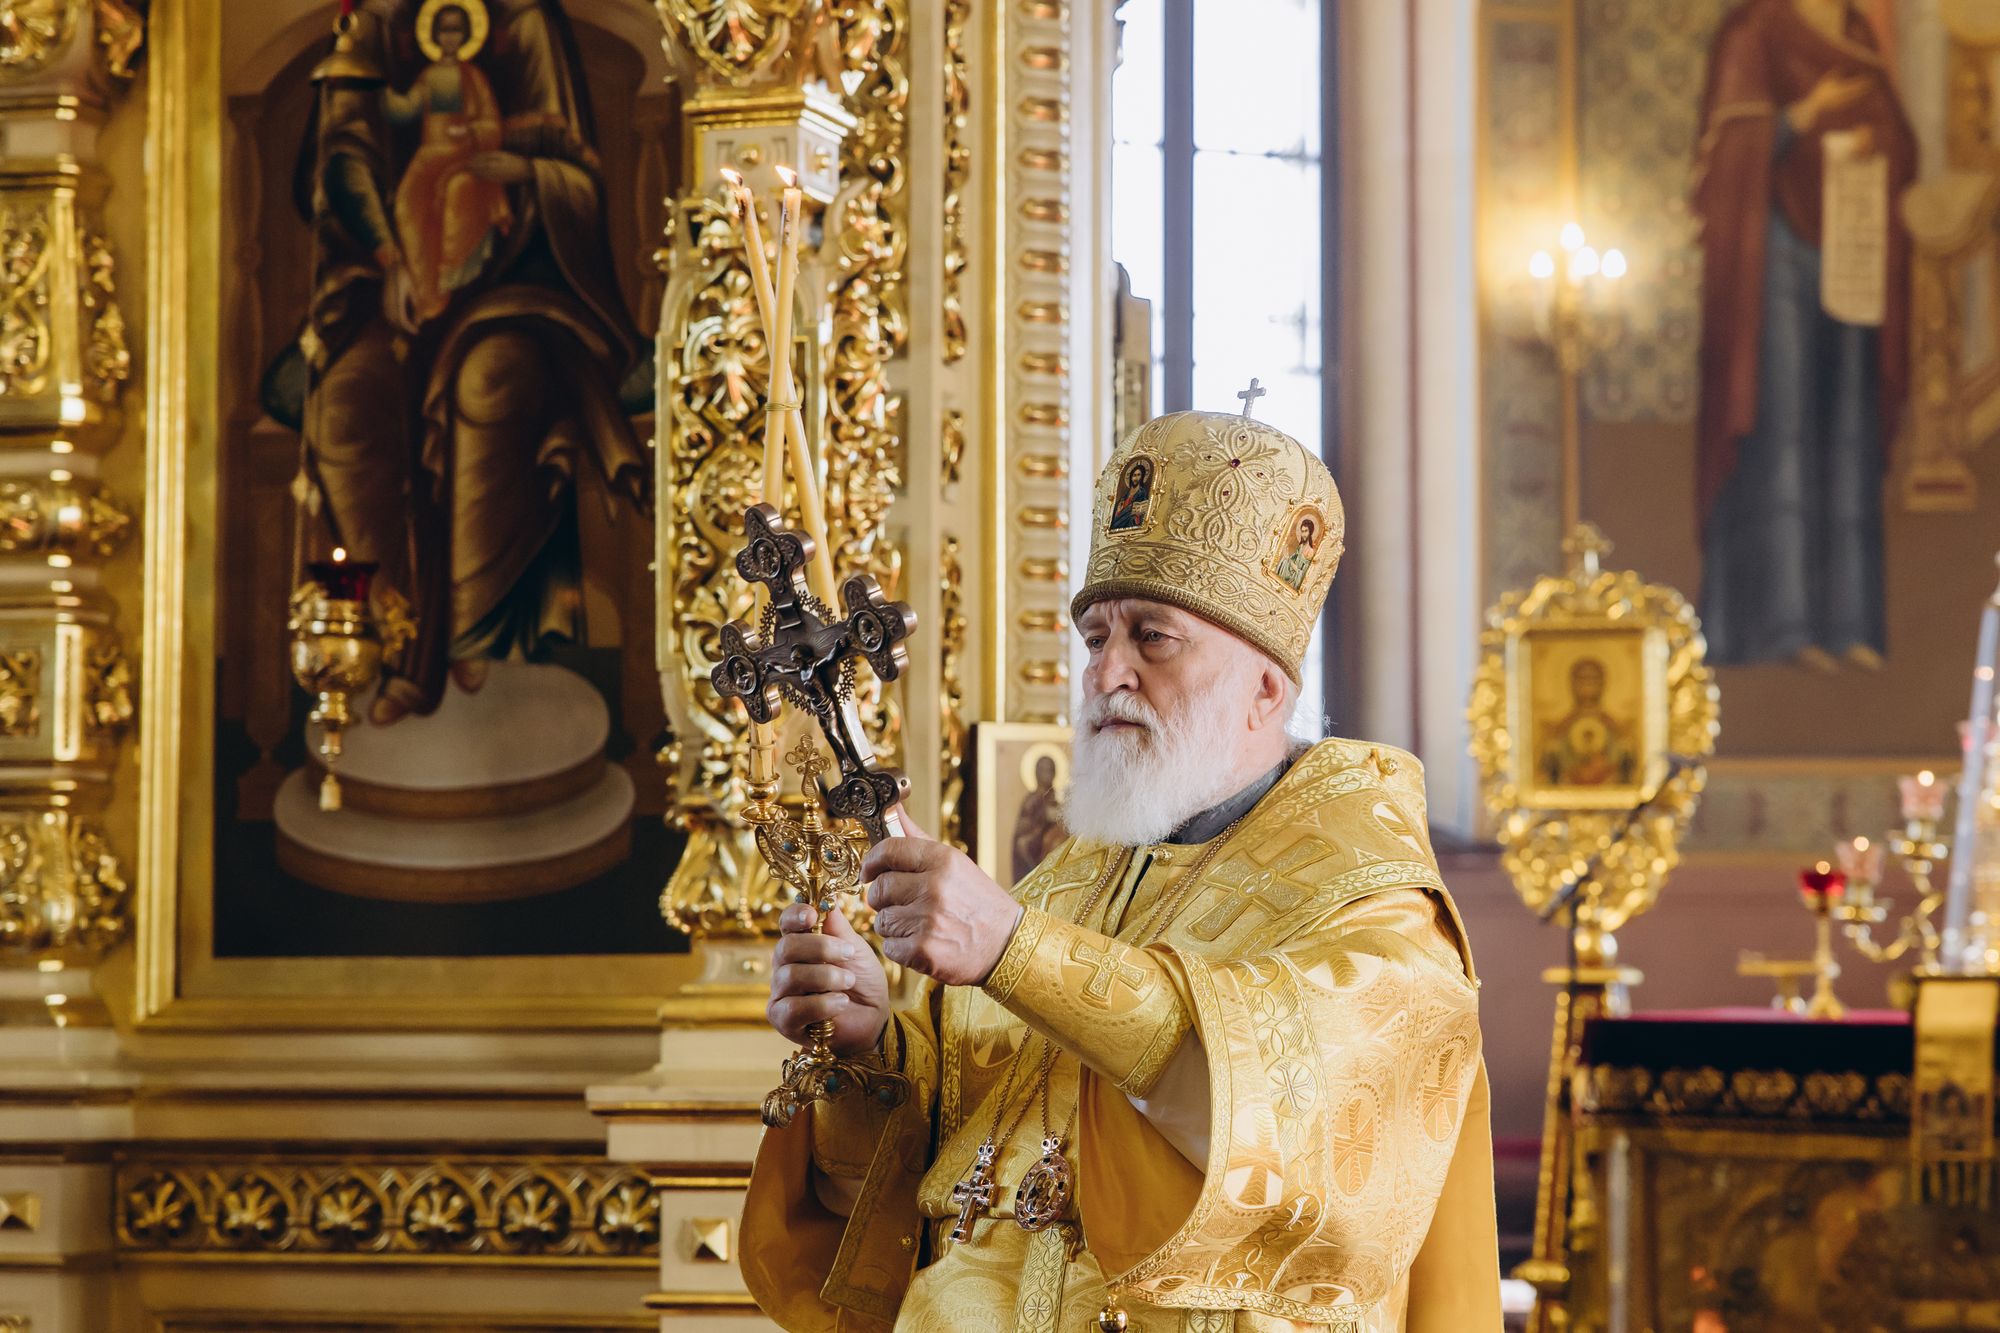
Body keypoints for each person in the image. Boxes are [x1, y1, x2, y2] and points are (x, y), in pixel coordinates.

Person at [742, 410, 1499, 1332]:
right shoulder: (1067, 885)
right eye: (1096, 638)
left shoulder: (1377, 910)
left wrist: (1015, 951)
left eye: (1153, 637)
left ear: (1265, 687)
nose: (1107, 674)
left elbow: (1274, 1129)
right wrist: (871, 1050)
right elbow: (930, 1176)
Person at [279, 0, 648, 723]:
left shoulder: (527, 23)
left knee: (486, 386)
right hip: (396, 285)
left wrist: (527, 170)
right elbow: (342, 154)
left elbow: (577, 173)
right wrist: (389, 256)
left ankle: (475, 639)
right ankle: (391, 638)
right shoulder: (375, 20)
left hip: (524, 289)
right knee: (344, 406)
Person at [1692, 0, 1916, 670]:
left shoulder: (1852, 31)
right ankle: (1783, 624)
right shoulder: (1755, 30)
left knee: (1848, 431)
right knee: (1784, 427)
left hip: (1849, 250)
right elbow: (1725, 151)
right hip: (1775, 256)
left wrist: (1876, 143)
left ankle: (1851, 623)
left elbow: (1903, 144)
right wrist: (1803, 116)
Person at [382, 0, 513, 324]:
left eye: (456, 30)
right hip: (429, 157)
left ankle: (450, 288)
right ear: (435, 34)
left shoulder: (474, 77)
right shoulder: (429, 76)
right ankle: (427, 297)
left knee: (456, 196)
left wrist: (471, 131)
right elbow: (407, 109)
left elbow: (493, 126)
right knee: (407, 206)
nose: (450, 37)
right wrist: (383, 96)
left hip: (464, 157)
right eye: (444, 30)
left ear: (465, 34)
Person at [1538, 656, 1637, 788]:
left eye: (1593, 678)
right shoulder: (1560, 727)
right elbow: (1548, 768)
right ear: (1572, 683)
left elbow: (1626, 766)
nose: (1588, 684)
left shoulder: (1615, 726)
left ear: (1603, 682)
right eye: (1582, 678)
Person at [1009, 752, 1067, 887]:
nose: (1047, 774)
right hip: (1035, 843)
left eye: (1050, 770)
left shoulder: (1056, 798)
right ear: (1036, 773)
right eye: (1043, 770)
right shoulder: (1031, 800)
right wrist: (1044, 817)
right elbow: (1022, 829)